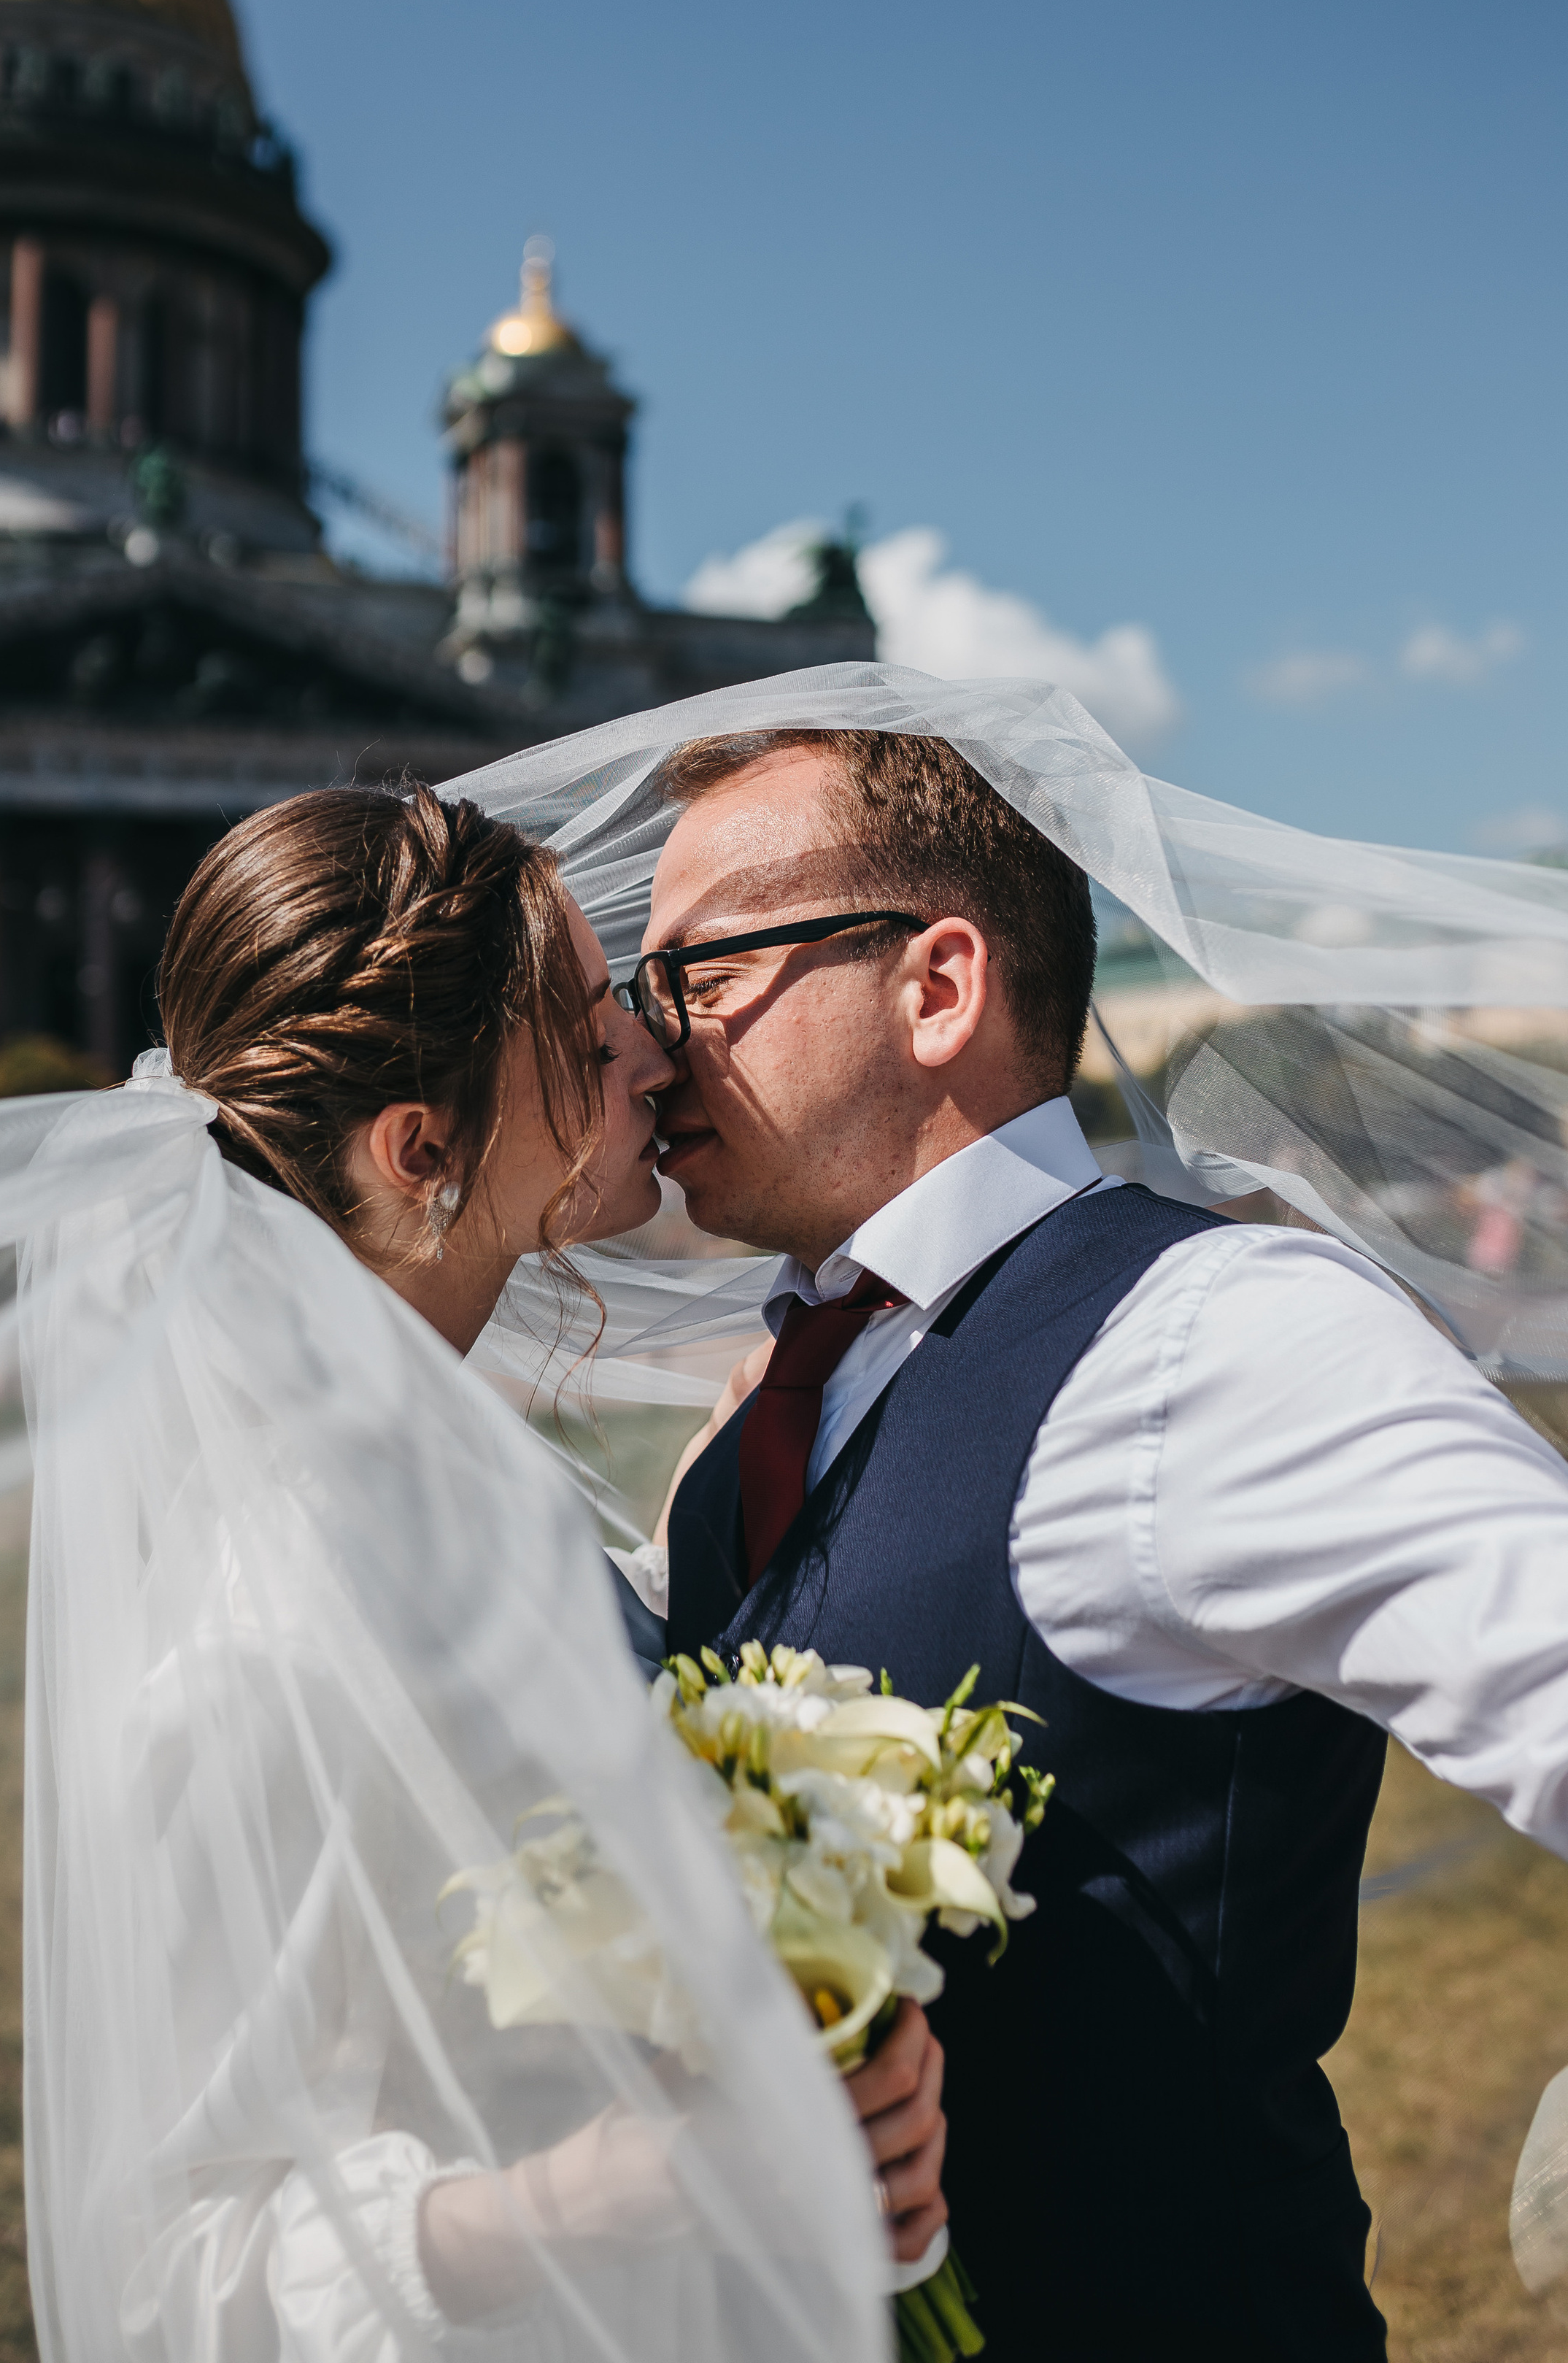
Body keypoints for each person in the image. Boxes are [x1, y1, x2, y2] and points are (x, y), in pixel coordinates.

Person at [611, 725, 1568, 2363]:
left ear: (935, 989)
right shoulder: (769, 1399)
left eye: (700, 970)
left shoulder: (1214, 1342)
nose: (646, 1040)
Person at [150, 781, 949, 2302]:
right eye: (591, 1036)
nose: (657, 1052)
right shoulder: (266, 1640)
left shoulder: (428, 1462)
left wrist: (696, 1526)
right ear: (418, 1150)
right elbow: (177, 2267)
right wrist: (625, 2187)